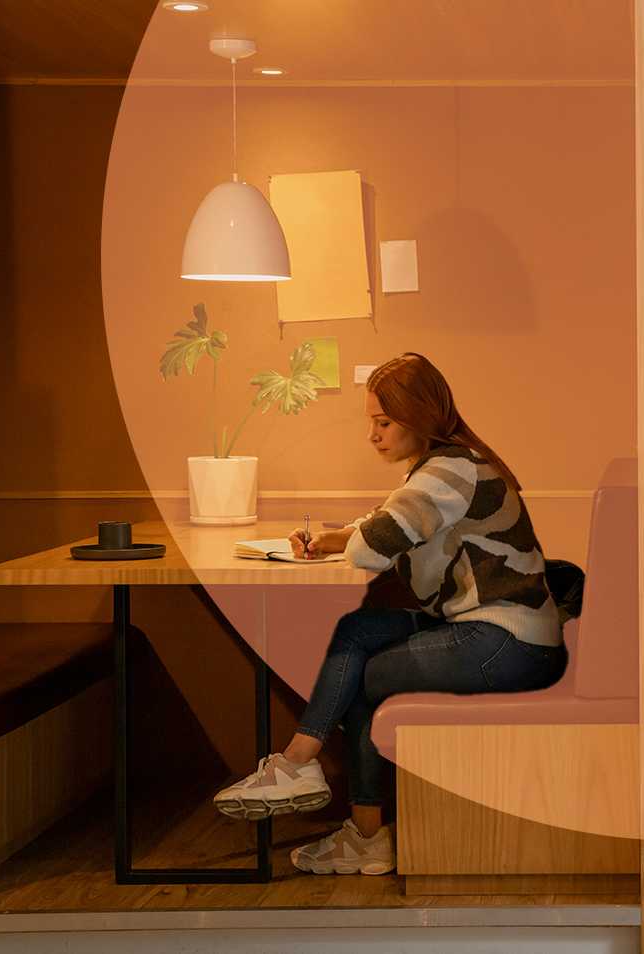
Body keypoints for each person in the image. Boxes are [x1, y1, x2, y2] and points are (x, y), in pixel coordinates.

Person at [211, 352, 566, 876]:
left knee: (367, 673)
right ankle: (305, 772)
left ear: (418, 417)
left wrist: (347, 539)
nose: (373, 436)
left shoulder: (448, 471)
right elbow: (393, 522)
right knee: (361, 630)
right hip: (494, 632)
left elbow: (371, 549)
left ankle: (337, 807)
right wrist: (339, 533)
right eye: (371, 423)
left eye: (383, 422)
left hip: (505, 643)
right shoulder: (453, 464)